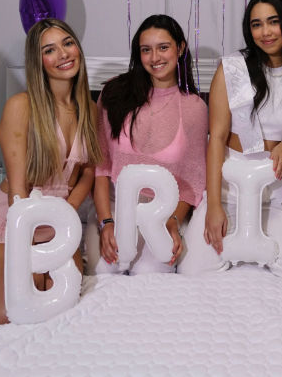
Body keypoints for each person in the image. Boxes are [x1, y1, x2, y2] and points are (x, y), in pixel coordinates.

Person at [0, 18, 101, 326]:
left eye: (67, 43)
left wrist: (66, 216)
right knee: (6, 316)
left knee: (59, 310)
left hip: (56, 225)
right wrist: (27, 252)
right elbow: (17, 192)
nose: (63, 54)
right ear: (38, 62)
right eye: (49, 50)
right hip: (5, 224)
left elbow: (89, 172)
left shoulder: (90, 109)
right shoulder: (20, 106)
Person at [179, 0, 282, 286]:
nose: (265, 32)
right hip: (230, 188)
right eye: (256, 24)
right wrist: (214, 204)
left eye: (273, 22)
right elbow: (215, 138)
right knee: (191, 270)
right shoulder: (233, 69)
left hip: (277, 190)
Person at [87, 14, 207, 274]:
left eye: (163, 47)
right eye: (146, 50)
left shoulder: (194, 107)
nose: (155, 58)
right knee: (104, 274)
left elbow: (192, 182)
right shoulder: (114, 94)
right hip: (114, 207)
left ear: (180, 48)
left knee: (152, 278)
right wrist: (106, 222)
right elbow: (100, 167)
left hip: (160, 215)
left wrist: (173, 222)